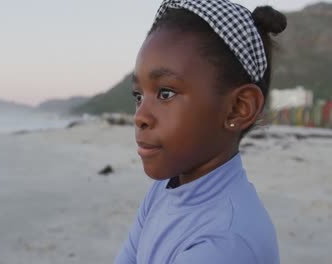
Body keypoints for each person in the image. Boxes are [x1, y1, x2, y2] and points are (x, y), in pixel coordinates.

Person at [115, 0, 287, 263]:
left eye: (165, 93)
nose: (140, 117)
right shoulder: (165, 188)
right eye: (138, 96)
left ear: (238, 109)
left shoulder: (225, 244)